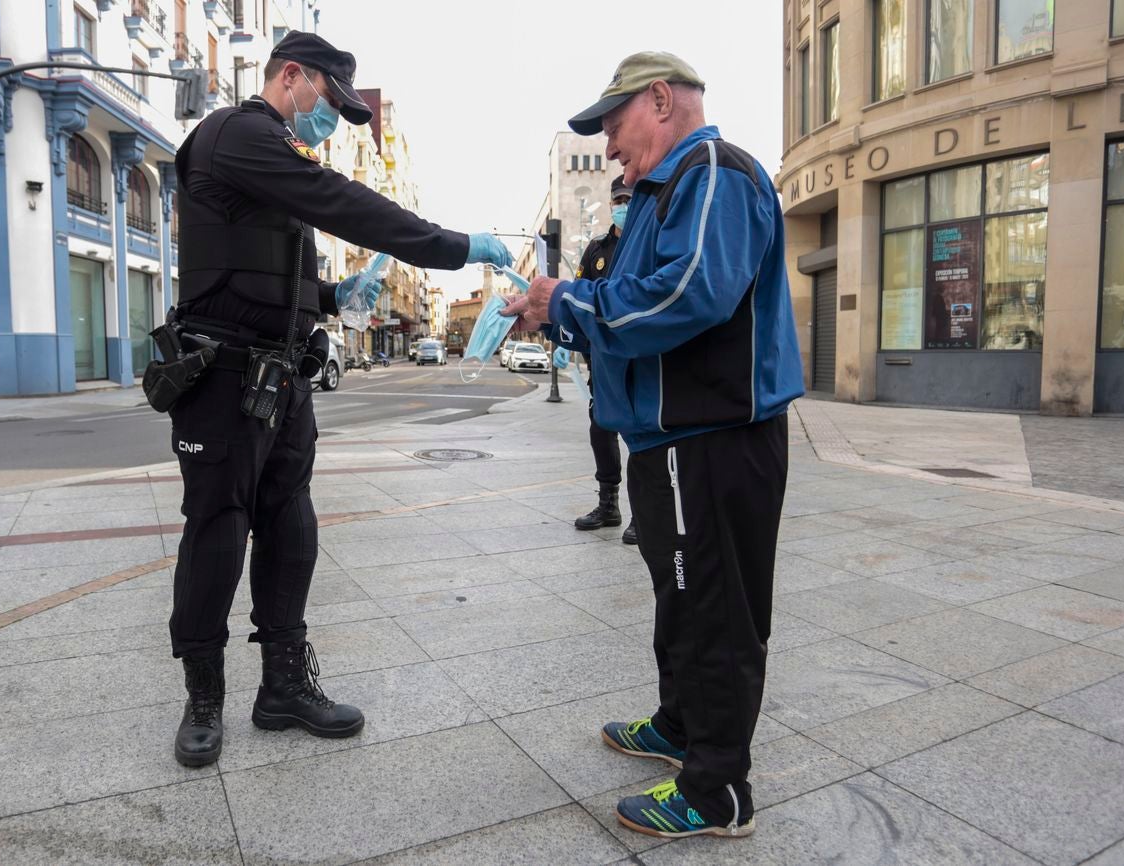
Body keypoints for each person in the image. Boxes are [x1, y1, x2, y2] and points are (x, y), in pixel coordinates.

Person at [167, 30, 513, 768]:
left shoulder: (272, 153)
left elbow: (255, 265)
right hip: (223, 377)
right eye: (329, 101)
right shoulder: (239, 134)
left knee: (291, 526)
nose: (329, 121)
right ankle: (203, 698)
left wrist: (330, 294)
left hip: (284, 376)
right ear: (292, 76)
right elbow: (342, 201)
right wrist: (452, 246)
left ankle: (283, 688)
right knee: (218, 529)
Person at [502, 51, 804, 839]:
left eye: (612, 123)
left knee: (717, 610)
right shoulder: (662, 194)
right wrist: (558, 311)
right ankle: (680, 725)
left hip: (716, 440)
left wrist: (567, 298)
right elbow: (632, 304)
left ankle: (717, 790)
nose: (607, 146)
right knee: (680, 596)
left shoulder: (714, 174)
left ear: (661, 100)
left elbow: (688, 292)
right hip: (670, 440)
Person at [572, 175, 636, 545]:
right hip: (602, 357)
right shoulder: (597, 248)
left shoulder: (647, 242)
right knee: (601, 428)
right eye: (619, 199)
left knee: (639, 434)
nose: (624, 205)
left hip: (637, 356)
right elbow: (580, 297)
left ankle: (642, 514)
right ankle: (608, 505)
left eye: (630, 198)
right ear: (611, 203)